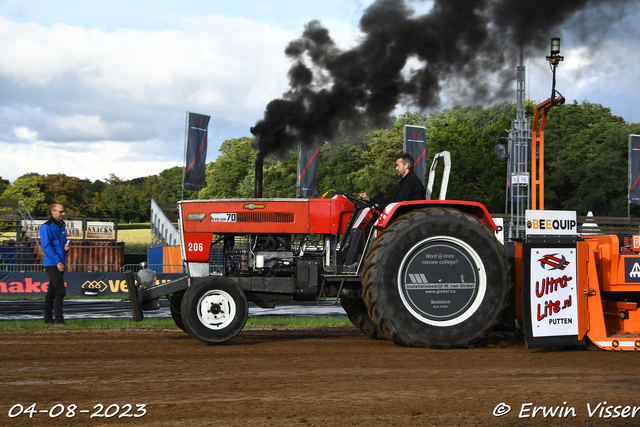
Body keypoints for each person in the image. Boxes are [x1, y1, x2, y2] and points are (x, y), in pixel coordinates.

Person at [359, 152, 426, 210]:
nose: (396, 168)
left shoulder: (411, 180)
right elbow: (392, 199)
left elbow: (399, 202)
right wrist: (370, 200)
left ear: (406, 165)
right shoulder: (408, 180)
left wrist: (379, 207)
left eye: (398, 165)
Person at [42, 203, 70, 325]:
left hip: (60, 262)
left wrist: (65, 248)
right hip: (53, 263)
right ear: (53, 212)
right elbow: (46, 247)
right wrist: (58, 262)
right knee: (60, 290)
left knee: (51, 292)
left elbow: (58, 244)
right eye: (60, 212)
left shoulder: (61, 226)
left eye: (63, 212)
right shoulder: (46, 227)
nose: (63, 214)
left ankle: (48, 319)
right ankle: (59, 320)